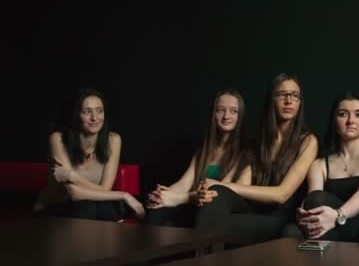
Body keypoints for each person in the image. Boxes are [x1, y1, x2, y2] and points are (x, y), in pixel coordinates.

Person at [197, 73, 318, 245]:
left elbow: (282, 194)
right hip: (253, 211)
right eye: (282, 94)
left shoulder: (307, 141)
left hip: (282, 218)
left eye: (294, 95)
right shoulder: (259, 141)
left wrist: (221, 185)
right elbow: (242, 185)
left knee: (216, 212)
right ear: (271, 99)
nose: (288, 100)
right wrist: (212, 190)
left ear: (300, 102)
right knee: (216, 195)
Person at [34, 88, 145, 221]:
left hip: (88, 206)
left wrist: (72, 176)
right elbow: (74, 193)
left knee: (106, 209)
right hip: (53, 209)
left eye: (99, 111)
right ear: (75, 114)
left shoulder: (113, 140)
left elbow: (105, 189)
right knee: (86, 207)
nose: (95, 118)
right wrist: (124, 196)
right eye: (87, 112)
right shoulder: (58, 139)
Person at [145, 89, 252, 227]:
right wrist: (162, 194)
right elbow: (184, 183)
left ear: (241, 116)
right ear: (213, 114)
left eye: (233, 111)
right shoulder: (203, 151)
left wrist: (177, 198)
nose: (226, 116)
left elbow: (217, 193)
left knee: (200, 209)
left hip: (216, 210)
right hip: (194, 204)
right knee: (157, 209)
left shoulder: (245, 153)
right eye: (220, 110)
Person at [297, 92, 359, 242]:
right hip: (332, 226)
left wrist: (338, 215)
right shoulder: (320, 164)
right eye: (343, 114)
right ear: (334, 121)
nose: (351, 121)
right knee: (293, 228)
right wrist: (303, 214)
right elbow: (314, 200)